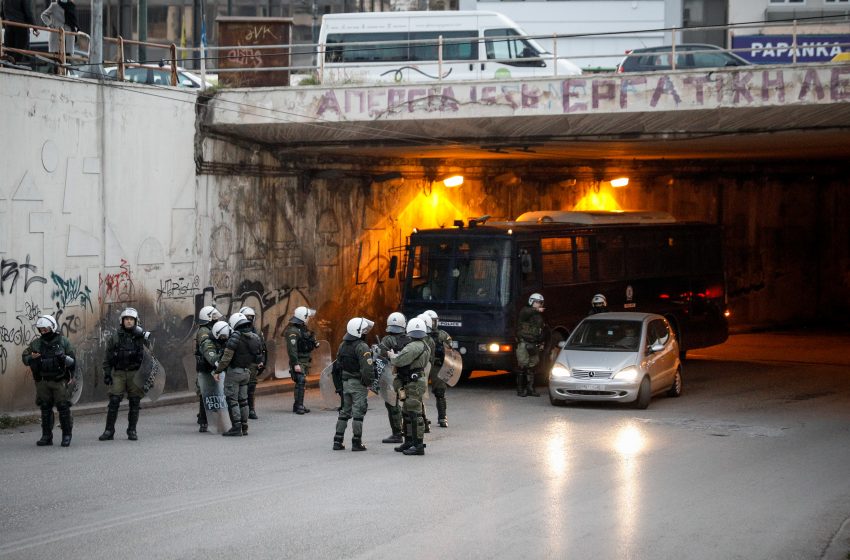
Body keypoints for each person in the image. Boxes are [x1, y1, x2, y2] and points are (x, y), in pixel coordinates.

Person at [22, 315, 76, 447]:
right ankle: (46, 436)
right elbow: (24, 357)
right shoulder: (36, 343)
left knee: (63, 407)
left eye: (45, 329)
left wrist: (64, 360)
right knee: (45, 407)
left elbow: (73, 361)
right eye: (41, 330)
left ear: (52, 327)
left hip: (59, 381)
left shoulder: (63, 342)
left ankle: (66, 435)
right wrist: (31, 357)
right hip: (42, 381)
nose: (43, 331)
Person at [99, 308, 151, 441]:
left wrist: (144, 338)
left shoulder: (141, 337)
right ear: (122, 321)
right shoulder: (115, 337)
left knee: (134, 401)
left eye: (131, 319)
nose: (129, 321)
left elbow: (149, 355)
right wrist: (107, 373)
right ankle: (109, 430)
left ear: (136, 321)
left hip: (135, 373)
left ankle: (132, 430)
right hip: (119, 373)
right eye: (126, 319)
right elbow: (108, 357)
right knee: (114, 400)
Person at [213, 313, 263, 437]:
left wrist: (218, 371)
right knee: (244, 401)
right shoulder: (255, 337)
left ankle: (236, 427)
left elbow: (226, 358)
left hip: (234, 373)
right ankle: (244, 427)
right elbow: (258, 357)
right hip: (246, 372)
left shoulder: (235, 337)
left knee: (232, 400)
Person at [388, 317, 430, 456]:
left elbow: (399, 361)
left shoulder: (413, 346)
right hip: (415, 381)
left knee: (414, 413)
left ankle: (418, 445)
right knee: (407, 411)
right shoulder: (425, 345)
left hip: (413, 383)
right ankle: (409, 441)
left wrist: (392, 356)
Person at [332, 317, 374, 452]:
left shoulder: (342, 345)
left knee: (344, 412)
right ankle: (356, 442)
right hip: (358, 384)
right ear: (359, 331)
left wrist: (339, 386)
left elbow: (337, 366)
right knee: (358, 413)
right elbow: (367, 369)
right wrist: (369, 383)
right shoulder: (362, 347)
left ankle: (337, 441)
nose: (365, 332)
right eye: (364, 330)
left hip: (345, 384)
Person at [375, 312, 407, 444]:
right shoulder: (409, 339)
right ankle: (409, 430)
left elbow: (381, 355)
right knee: (407, 402)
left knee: (392, 404)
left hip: (392, 376)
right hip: (406, 376)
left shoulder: (387, 339)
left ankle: (397, 433)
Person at [284, 306, 319, 415]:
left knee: (301, 382)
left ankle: (298, 405)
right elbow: (292, 350)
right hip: (298, 361)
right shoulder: (292, 331)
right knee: (300, 381)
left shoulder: (302, 328)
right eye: (307, 316)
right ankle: (299, 405)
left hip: (305, 360)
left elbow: (307, 340)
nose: (308, 318)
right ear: (303, 317)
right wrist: (295, 364)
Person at [194, 305, 221, 432]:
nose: (217, 318)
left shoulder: (214, 328)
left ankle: (214, 418)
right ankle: (203, 420)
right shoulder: (204, 331)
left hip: (213, 364)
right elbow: (207, 347)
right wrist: (214, 360)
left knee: (216, 391)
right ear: (208, 317)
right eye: (214, 316)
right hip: (206, 365)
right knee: (204, 393)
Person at [423, 309, 452, 428]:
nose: (434, 324)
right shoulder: (420, 334)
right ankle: (422, 419)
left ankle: (442, 417)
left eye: (435, 321)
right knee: (419, 393)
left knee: (440, 392)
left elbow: (450, 351)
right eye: (432, 321)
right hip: (424, 365)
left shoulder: (442, 334)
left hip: (437, 365)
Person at [515, 293, 546, 397]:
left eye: (540, 303)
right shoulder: (525, 311)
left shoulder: (538, 316)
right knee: (522, 365)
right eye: (537, 302)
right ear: (531, 301)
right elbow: (526, 313)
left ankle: (530, 388)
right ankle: (520, 389)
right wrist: (536, 310)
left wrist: (541, 342)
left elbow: (541, 330)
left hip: (533, 343)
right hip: (524, 342)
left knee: (532, 366)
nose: (539, 305)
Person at [239, 306, 267, 420]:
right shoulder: (235, 331)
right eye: (247, 317)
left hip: (252, 363)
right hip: (240, 363)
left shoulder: (257, 332)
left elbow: (262, 348)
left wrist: (261, 361)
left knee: (251, 387)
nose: (249, 319)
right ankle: (239, 410)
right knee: (239, 387)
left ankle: (251, 409)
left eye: (251, 317)